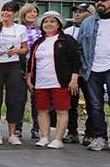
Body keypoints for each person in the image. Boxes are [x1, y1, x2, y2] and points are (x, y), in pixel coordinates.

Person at [26, 11, 81, 149]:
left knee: (62, 110)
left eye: (52, 21)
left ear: (59, 24)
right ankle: (44, 137)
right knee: (42, 110)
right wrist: (29, 78)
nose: (48, 24)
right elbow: (31, 62)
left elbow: (76, 60)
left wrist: (74, 78)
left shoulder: (66, 40)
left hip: (60, 81)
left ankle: (58, 139)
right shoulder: (38, 42)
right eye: (46, 21)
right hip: (41, 82)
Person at [77, 0, 110, 153]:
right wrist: (82, 66)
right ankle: (100, 137)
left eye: (104, 0)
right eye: (97, 1)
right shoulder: (88, 22)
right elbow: (79, 46)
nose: (99, 3)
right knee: (95, 105)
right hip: (92, 69)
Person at [0, 1, 28, 145]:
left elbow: (25, 49)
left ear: (15, 13)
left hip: (13, 66)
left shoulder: (20, 28)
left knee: (12, 100)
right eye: (3, 11)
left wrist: (16, 50)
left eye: (9, 11)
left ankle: (12, 134)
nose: (5, 13)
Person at [63, 2, 94, 144]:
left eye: (82, 11)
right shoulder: (68, 31)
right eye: (76, 11)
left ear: (91, 13)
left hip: (90, 71)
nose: (77, 14)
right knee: (71, 103)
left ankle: (90, 133)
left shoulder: (96, 29)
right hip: (72, 72)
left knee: (92, 103)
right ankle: (72, 132)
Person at [18, 3, 42, 139]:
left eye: (35, 12)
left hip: (37, 66)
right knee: (20, 98)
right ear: (24, 14)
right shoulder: (19, 29)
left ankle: (36, 128)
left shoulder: (41, 29)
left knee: (37, 98)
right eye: (29, 12)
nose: (33, 14)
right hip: (22, 64)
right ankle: (18, 127)